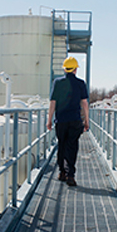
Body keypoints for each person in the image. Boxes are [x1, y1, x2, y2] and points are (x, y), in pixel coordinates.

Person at [47, 56, 89, 186]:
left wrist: (49, 120)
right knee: (72, 146)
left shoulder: (58, 83)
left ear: (65, 69)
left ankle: (62, 172)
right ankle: (71, 175)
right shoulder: (81, 83)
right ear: (75, 69)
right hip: (75, 120)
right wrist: (86, 121)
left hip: (61, 120)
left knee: (62, 145)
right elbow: (85, 104)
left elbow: (52, 102)